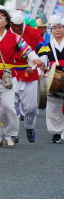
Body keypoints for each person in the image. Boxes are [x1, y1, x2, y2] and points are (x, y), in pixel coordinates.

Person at [0, 7, 45, 147]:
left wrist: (34, 58)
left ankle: (10, 134)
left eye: (0, 18)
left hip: (8, 77)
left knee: (8, 106)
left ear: (7, 22)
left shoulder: (14, 37)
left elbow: (27, 50)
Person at [9, 12, 49, 143]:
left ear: (23, 24)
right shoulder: (6, 33)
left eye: (19, 26)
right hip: (10, 72)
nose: (16, 29)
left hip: (30, 72)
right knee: (11, 106)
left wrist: (41, 61)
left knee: (31, 107)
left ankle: (29, 126)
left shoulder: (32, 32)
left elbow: (43, 48)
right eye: (13, 26)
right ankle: (12, 133)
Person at [45, 15, 64, 143]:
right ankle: (56, 133)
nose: (57, 30)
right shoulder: (47, 45)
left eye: (60, 27)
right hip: (54, 77)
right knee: (53, 105)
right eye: (54, 28)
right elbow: (43, 61)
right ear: (51, 30)